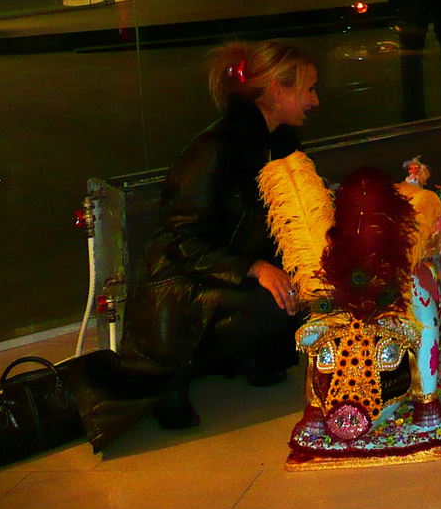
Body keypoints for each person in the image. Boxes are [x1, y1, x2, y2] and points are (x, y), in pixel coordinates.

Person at [91, 41, 319, 441]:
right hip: (181, 282)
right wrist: (256, 268)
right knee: (275, 302)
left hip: (223, 269)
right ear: (278, 91)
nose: (316, 100)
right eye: (309, 89)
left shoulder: (278, 144)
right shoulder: (214, 149)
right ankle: (176, 372)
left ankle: (245, 352)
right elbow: (181, 239)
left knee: (306, 288)